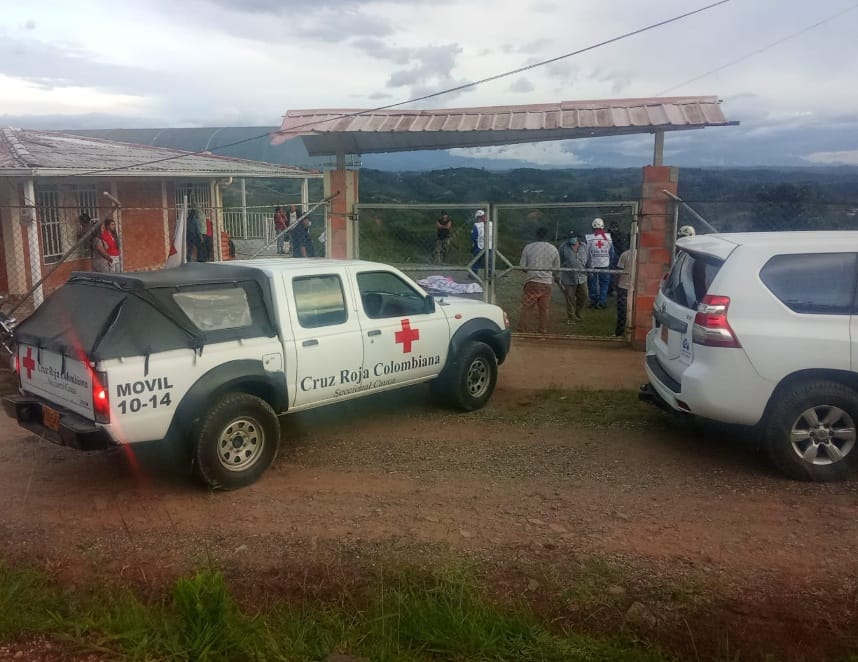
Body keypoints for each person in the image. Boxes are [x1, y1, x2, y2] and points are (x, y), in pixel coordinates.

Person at [517, 226, 560, 334]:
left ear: (536, 235)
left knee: (527, 307)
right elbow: (556, 269)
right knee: (544, 309)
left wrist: (532, 272)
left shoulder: (529, 247)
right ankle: (542, 330)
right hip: (546, 283)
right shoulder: (553, 249)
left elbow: (522, 266)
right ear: (547, 236)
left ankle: (522, 329)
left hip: (532, 281)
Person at [558, 230, 588, 325]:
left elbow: (589, 259)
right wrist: (558, 275)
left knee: (584, 296)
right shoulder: (563, 247)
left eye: (573, 237)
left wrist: (591, 270)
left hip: (582, 276)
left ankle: (577, 312)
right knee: (570, 298)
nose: (571, 239)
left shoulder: (584, 246)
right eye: (570, 237)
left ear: (577, 237)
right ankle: (571, 318)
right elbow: (559, 261)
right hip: (568, 277)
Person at [585, 217, 614, 309]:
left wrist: (588, 263)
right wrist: (609, 261)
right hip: (605, 265)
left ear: (593, 227)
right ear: (603, 227)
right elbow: (612, 253)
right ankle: (602, 302)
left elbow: (586, 252)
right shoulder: (608, 238)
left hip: (592, 265)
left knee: (592, 283)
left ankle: (593, 301)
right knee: (604, 284)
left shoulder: (589, 238)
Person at [614, 247, 632, 337]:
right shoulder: (642, 254)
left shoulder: (625, 254)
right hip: (635, 287)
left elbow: (618, 272)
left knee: (622, 311)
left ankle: (619, 333)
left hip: (624, 286)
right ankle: (625, 333)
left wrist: (616, 284)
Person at [470, 209, 492, 275]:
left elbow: (473, 237)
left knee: (476, 261)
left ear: (478, 217)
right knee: (489, 263)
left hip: (479, 247)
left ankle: (474, 274)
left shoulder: (476, 225)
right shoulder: (491, 223)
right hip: (490, 246)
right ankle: (490, 276)